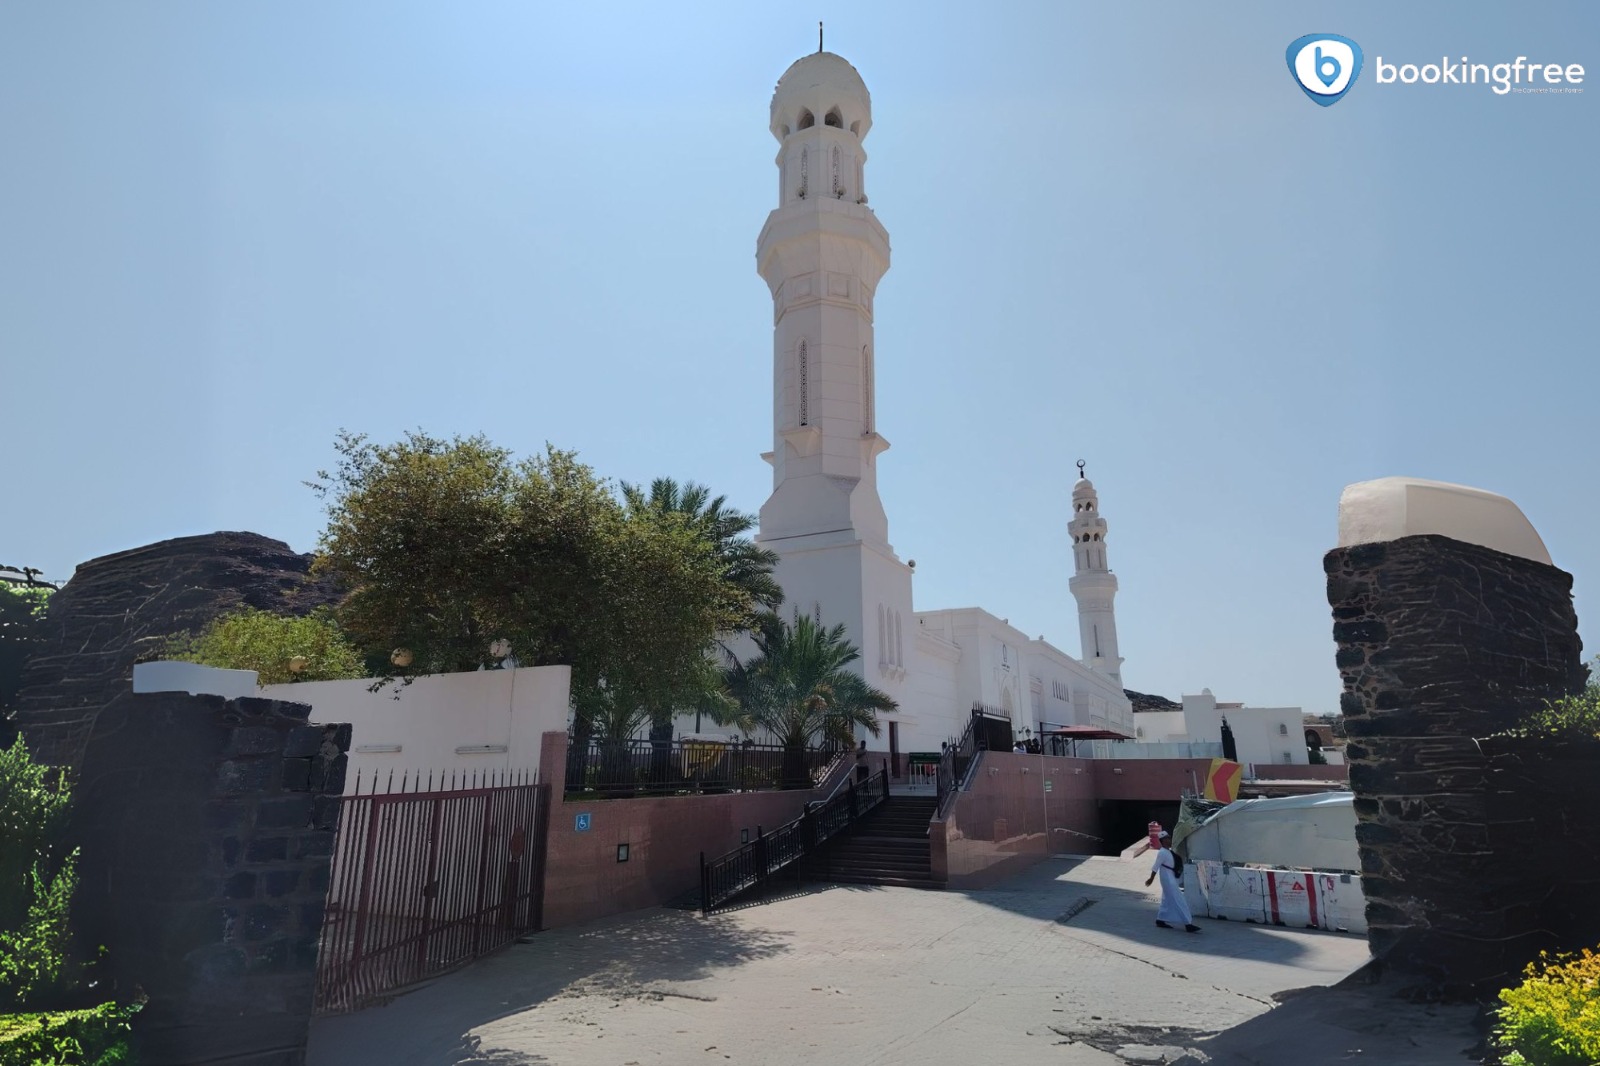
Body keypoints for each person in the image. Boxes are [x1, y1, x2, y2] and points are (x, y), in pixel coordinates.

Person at [1144, 830, 1201, 933]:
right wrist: (1151, 879)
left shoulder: (1168, 851)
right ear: (1163, 841)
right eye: (1167, 839)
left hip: (1170, 878)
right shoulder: (1162, 853)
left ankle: (1160, 919)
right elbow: (1155, 867)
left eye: (1169, 838)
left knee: (1166, 900)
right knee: (1179, 900)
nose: (1170, 840)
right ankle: (1188, 924)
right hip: (1168, 880)